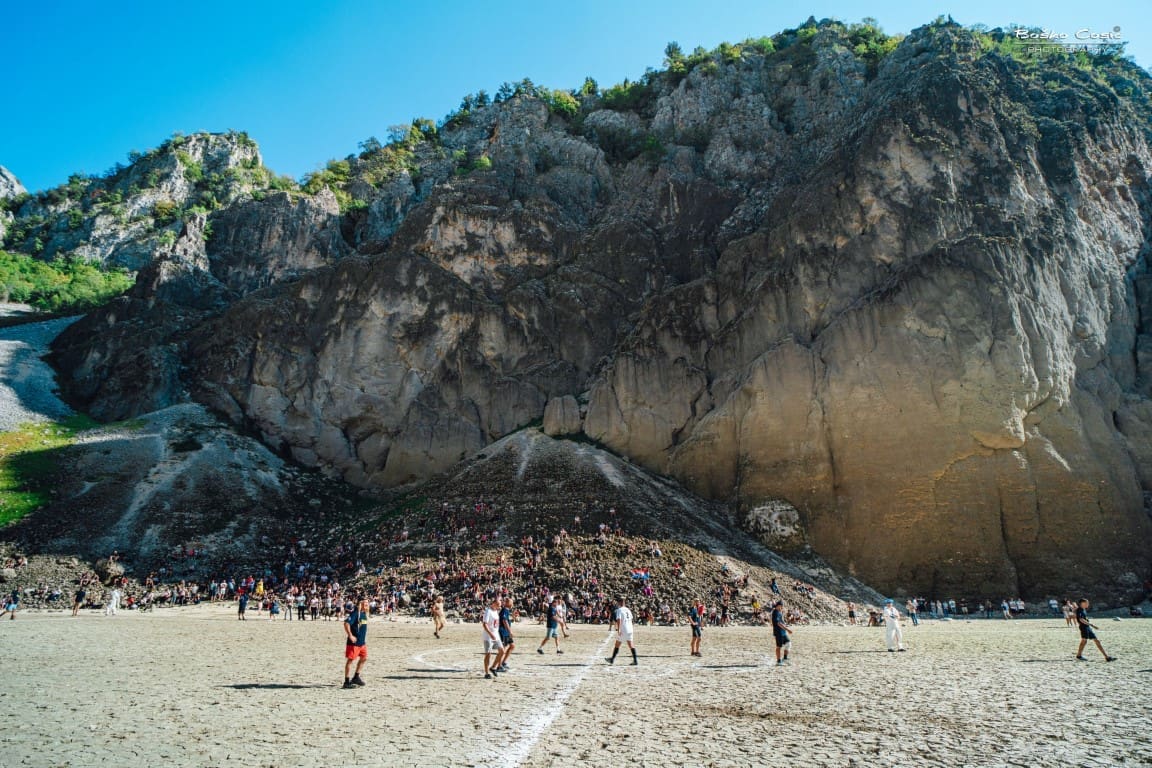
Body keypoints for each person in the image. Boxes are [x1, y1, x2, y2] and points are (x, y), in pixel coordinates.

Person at [343, 598, 370, 688]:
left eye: (367, 603)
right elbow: (346, 623)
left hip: (362, 643)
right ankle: (346, 682)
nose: (366, 604)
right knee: (350, 661)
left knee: (364, 658)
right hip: (354, 643)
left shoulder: (363, 613)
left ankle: (356, 677)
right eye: (364, 603)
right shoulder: (355, 613)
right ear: (360, 604)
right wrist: (350, 635)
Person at [606, 596, 638, 665]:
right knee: (631, 644)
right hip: (630, 629)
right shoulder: (628, 610)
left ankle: (612, 659)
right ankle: (635, 660)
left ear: (619, 602)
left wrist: (619, 629)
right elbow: (632, 619)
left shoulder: (619, 610)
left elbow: (619, 619)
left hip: (624, 629)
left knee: (617, 644)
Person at [482, 596, 504, 679]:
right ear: (494, 603)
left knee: (502, 651)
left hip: (496, 635)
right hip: (488, 636)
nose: (499, 606)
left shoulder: (496, 611)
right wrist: (490, 634)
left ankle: (493, 667)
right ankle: (486, 673)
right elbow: (485, 624)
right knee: (488, 654)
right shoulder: (488, 611)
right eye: (498, 605)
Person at [496, 597, 516, 672]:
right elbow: (504, 621)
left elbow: (506, 620)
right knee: (502, 649)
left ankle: (503, 663)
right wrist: (510, 631)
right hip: (503, 632)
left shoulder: (506, 610)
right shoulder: (504, 610)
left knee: (512, 646)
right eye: (511, 602)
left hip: (506, 632)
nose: (512, 604)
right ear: (507, 603)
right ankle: (499, 666)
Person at [771, 600, 791, 665]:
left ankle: (785, 658)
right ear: (778, 606)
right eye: (781, 606)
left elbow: (781, 621)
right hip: (778, 632)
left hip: (783, 632)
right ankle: (778, 661)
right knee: (779, 646)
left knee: (788, 643)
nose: (782, 607)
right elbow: (778, 623)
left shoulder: (779, 612)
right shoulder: (775, 612)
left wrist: (785, 624)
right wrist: (787, 629)